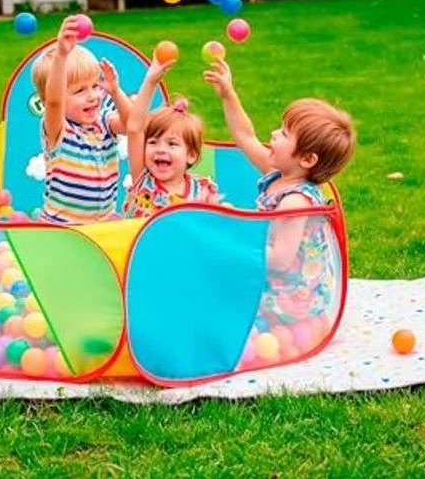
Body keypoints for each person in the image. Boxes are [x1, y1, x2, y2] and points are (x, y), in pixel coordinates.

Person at [204, 59, 356, 323]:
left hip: (291, 300)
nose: (273, 134)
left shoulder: (295, 201)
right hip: (276, 282)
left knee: (214, 288)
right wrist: (229, 94)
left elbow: (280, 260)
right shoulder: (281, 174)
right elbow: (245, 136)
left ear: (307, 159)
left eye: (284, 134)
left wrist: (232, 241)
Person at [31, 15, 133, 224]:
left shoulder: (104, 121)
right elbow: (54, 102)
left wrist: (115, 91)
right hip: (62, 229)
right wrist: (61, 56)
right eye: (80, 91)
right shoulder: (59, 130)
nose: (93, 96)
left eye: (95, 86)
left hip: (102, 224)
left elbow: (133, 125)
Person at [123, 52, 219, 218]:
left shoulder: (202, 191)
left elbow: (212, 230)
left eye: (172, 144)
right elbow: (134, 128)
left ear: (191, 155)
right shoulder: (143, 180)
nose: (160, 149)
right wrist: (151, 81)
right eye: (153, 142)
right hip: (143, 244)